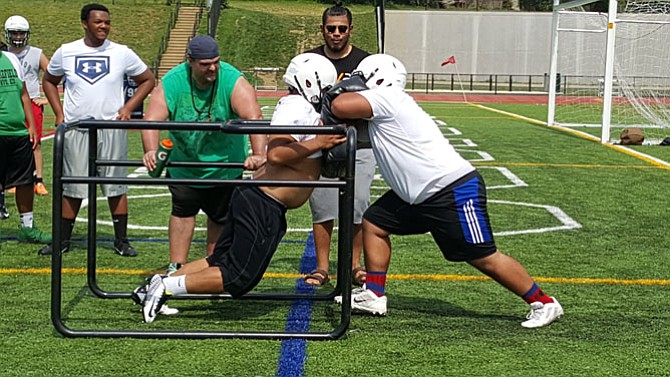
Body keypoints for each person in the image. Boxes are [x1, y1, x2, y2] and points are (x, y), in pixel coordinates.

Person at [328, 54, 563, 328]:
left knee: (482, 256)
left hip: (450, 189)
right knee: (374, 223)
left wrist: (340, 90)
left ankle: (544, 302)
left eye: (361, 78)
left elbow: (341, 105)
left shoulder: (389, 98)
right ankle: (374, 294)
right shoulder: (389, 102)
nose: (357, 83)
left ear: (377, 78)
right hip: (417, 194)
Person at [134, 53, 343, 323]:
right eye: (324, 87)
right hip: (263, 203)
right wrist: (320, 143)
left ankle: (158, 282)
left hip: (261, 200)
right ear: (309, 82)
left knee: (218, 259)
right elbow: (277, 154)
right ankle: (164, 288)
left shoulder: (301, 106)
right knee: (238, 276)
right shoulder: (296, 106)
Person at [141, 35, 267, 275]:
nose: (212, 68)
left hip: (224, 167)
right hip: (184, 165)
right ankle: (175, 268)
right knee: (182, 212)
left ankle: (213, 265)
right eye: (205, 64)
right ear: (190, 61)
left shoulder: (232, 79)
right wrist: (150, 149)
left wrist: (259, 153)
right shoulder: (173, 81)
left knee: (220, 217)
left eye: (216, 62)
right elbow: (151, 119)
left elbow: (254, 117)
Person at [38, 3, 156, 256]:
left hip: (110, 127)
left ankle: (121, 240)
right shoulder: (67, 51)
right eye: (98, 22)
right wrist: (59, 113)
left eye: (107, 22)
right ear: (84, 23)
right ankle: (63, 241)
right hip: (77, 128)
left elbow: (148, 79)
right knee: (73, 185)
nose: (104, 26)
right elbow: (49, 80)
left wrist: (128, 108)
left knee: (115, 185)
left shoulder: (121, 52)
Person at [303, 2, 374, 287]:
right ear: (322, 29)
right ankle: (322, 267)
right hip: (322, 144)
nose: (335, 33)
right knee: (322, 207)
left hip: (360, 142)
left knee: (358, 206)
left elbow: (376, 102)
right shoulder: (308, 60)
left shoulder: (366, 62)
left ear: (350, 30)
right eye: (330, 28)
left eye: (341, 28)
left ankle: (355, 265)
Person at [0, 46, 51, 244]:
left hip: (19, 132)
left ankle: (27, 228)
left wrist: (30, 125)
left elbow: (23, 94)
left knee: (25, 182)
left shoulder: (11, 59)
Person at [5, 15, 51, 196]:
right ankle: (16, 179)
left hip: (31, 101)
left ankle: (38, 179)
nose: (17, 36)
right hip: (11, 103)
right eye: (14, 33)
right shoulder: (4, 53)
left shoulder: (36, 53)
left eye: (21, 33)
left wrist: (46, 98)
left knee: (35, 143)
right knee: (13, 142)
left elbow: (54, 74)